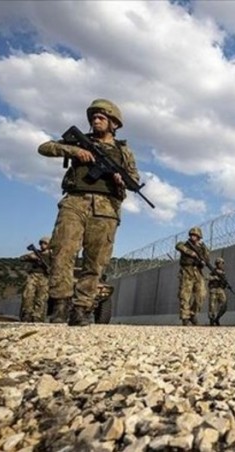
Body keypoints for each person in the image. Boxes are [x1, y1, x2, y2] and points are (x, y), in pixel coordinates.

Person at [38, 99, 140, 326]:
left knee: (96, 261)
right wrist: (74, 150)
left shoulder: (123, 152)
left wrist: (120, 179)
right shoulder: (81, 142)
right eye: (94, 117)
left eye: (102, 117)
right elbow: (44, 147)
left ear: (114, 122)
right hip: (75, 201)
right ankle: (60, 305)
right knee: (62, 250)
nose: (96, 120)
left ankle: (82, 308)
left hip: (106, 208)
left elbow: (134, 179)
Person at [175, 226, 210, 326]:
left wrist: (203, 251)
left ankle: (192, 313)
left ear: (199, 237)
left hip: (198, 272)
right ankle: (185, 317)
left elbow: (207, 258)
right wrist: (191, 253)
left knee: (201, 294)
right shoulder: (185, 244)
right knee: (185, 295)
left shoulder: (202, 247)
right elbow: (178, 246)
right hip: (187, 270)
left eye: (195, 235)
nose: (193, 237)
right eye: (192, 235)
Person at [19, 236, 52, 322]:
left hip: (45, 277)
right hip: (33, 276)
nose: (42, 245)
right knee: (28, 295)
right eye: (41, 243)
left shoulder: (52, 256)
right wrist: (30, 257)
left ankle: (38, 317)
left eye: (45, 243)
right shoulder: (36, 253)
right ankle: (26, 315)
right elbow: (21, 258)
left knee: (41, 298)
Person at [208, 257, 229, 326]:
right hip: (213, 289)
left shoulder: (223, 272)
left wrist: (226, 285)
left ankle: (217, 318)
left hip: (220, 290)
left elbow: (224, 281)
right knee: (212, 306)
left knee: (224, 305)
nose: (222, 265)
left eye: (222, 263)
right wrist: (214, 278)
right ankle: (212, 319)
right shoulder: (213, 271)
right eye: (220, 263)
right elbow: (207, 277)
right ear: (217, 264)